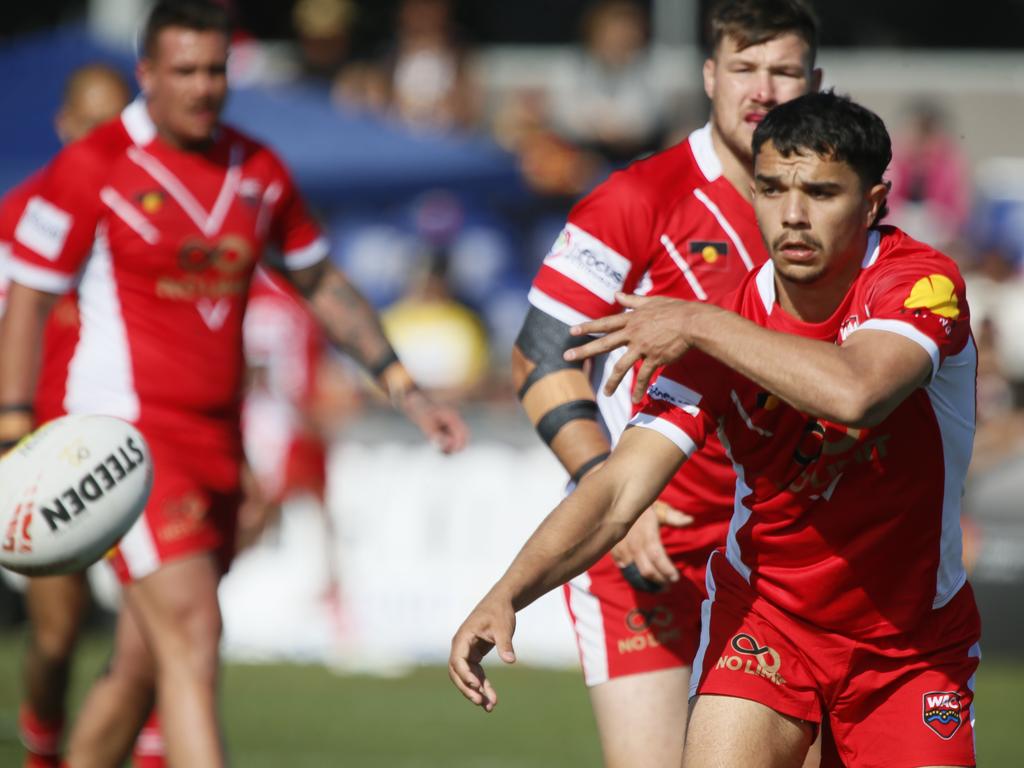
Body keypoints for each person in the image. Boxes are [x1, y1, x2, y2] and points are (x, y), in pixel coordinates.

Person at [452, 90, 981, 768]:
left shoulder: (918, 281)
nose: (792, 216)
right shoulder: (715, 329)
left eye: (821, 192)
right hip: (767, 625)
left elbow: (858, 394)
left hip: (908, 646)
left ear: (874, 202)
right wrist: (507, 593)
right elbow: (618, 491)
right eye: (771, 190)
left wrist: (700, 322)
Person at [0, 3, 468, 767]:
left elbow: (318, 280)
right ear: (146, 75)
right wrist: (13, 426)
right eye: (183, 71)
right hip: (131, 440)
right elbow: (27, 294)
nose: (202, 87)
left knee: (145, 662)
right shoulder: (95, 164)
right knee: (192, 635)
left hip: (220, 439)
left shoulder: (258, 170)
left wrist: (400, 382)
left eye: (215, 70)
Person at [510, 2, 819, 765]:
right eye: (744, 69)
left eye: (784, 71)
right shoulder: (638, 198)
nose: (763, 91)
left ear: (815, 83)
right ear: (710, 76)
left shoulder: (833, 206)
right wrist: (610, 485)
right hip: (646, 552)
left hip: (783, 559)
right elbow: (540, 356)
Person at [0, 63, 134, 768]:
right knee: (58, 632)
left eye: (118, 124)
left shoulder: (152, 210)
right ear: (63, 127)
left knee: (162, 628)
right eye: (91, 125)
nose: (105, 140)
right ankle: (43, 745)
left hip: (139, 442)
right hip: (44, 449)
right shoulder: (20, 214)